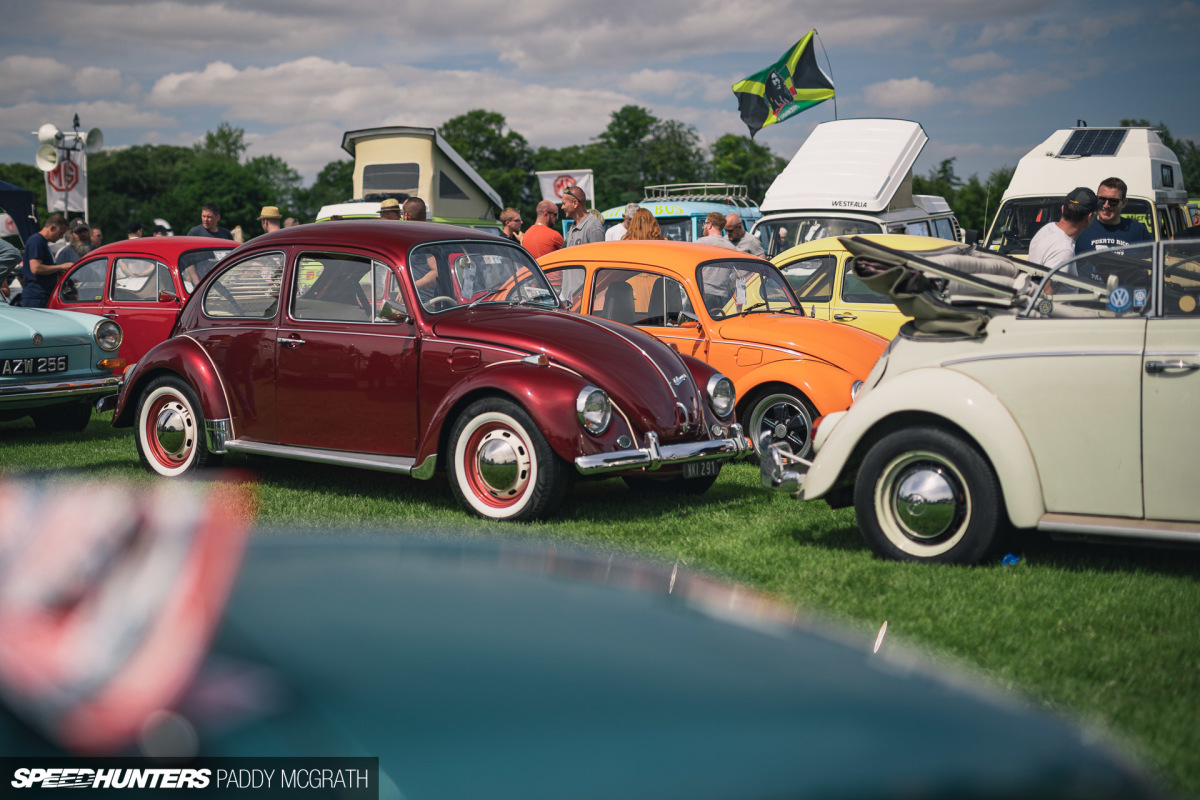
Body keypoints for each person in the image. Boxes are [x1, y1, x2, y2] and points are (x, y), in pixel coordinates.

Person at [1074, 177, 1151, 257]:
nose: (1106, 205)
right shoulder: (1081, 228)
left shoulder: (1138, 231)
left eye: (1113, 201)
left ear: (1124, 203)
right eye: (1102, 200)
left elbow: (1152, 262)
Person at [1027, 187, 1097, 271]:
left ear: (1063, 209)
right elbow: (1048, 284)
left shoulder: (1046, 229)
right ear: (1089, 218)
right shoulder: (1064, 250)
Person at [19, 214, 71, 307]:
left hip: (42, 296)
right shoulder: (36, 241)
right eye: (60, 233)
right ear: (52, 228)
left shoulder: (42, 242)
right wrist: (61, 266)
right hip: (36, 297)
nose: (61, 237)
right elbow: (35, 268)